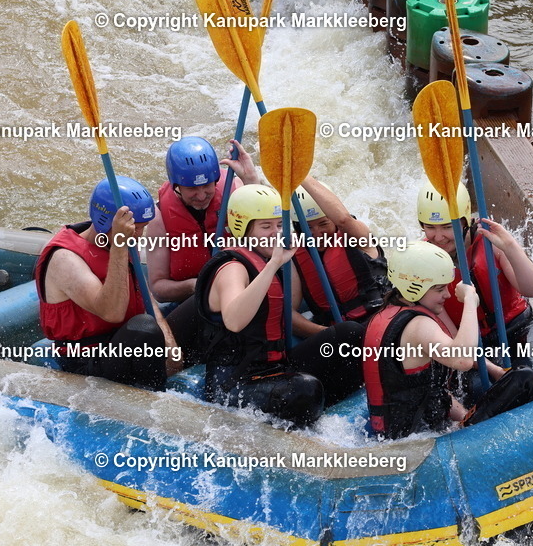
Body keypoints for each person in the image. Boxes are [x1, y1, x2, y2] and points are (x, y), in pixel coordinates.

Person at [195, 184, 365, 427]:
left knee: (350, 335)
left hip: (274, 366)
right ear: (242, 229)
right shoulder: (232, 268)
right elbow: (234, 320)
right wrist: (273, 265)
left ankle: (327, 414)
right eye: (266, 227)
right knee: (303, 390)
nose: (275, 233)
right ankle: (311, 415)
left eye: (278, 225)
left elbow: (290, 305)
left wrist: (277, 261)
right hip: (234, 383)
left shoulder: (266, 258)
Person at [363, 241, 533, 439]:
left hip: (398, 431)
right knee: (523, 379)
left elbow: (430, 390)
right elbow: (462, 360)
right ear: (413, 287)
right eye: (439, 289)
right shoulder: (418, 326)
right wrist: (470, 303)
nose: (447, 295)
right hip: (416, 439)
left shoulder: (386, 314)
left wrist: (466, 416)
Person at [34, 177, 181, 390]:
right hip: (89, 359)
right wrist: (120, 246)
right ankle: (156, 399)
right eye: (135, 229)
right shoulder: (65, 259)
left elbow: (144, 297)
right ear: (107, 222)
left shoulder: (120, 239)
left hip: (127, 344)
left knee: (198, 303)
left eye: (142, 228)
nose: (139, 235)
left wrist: (170, 346)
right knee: (143, 330)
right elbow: (112, 312)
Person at [417, 178, 533, 393]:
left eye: (447, 227)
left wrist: (510, 247)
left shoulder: (491, 240)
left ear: (465, 222)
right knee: (479, 389)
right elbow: (454, 338)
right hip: (474, 343)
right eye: (430, 227)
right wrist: (492, 369)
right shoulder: (423, 261)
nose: (438, 237)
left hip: (519, 327)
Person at [146, 137, 254, 365]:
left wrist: (252, 179)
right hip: (193, 303)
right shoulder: (158, 219)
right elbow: (158, 287)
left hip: (241, 294)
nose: (202, 195)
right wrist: (199, 285)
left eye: (207, 185)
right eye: (192, 189)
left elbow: (271, 233)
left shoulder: (236, 190)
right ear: (176, 185)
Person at [289, 178, 392, 327]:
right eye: (307, 227)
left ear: (333, 221)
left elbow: (344, 219)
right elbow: (290, 314)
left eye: (323, 224)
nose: (317, 233)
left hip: (379, 320)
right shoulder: (295, 253)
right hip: (334, 331)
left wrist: (301, 174)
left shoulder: (356, 236)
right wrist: (327, 333)